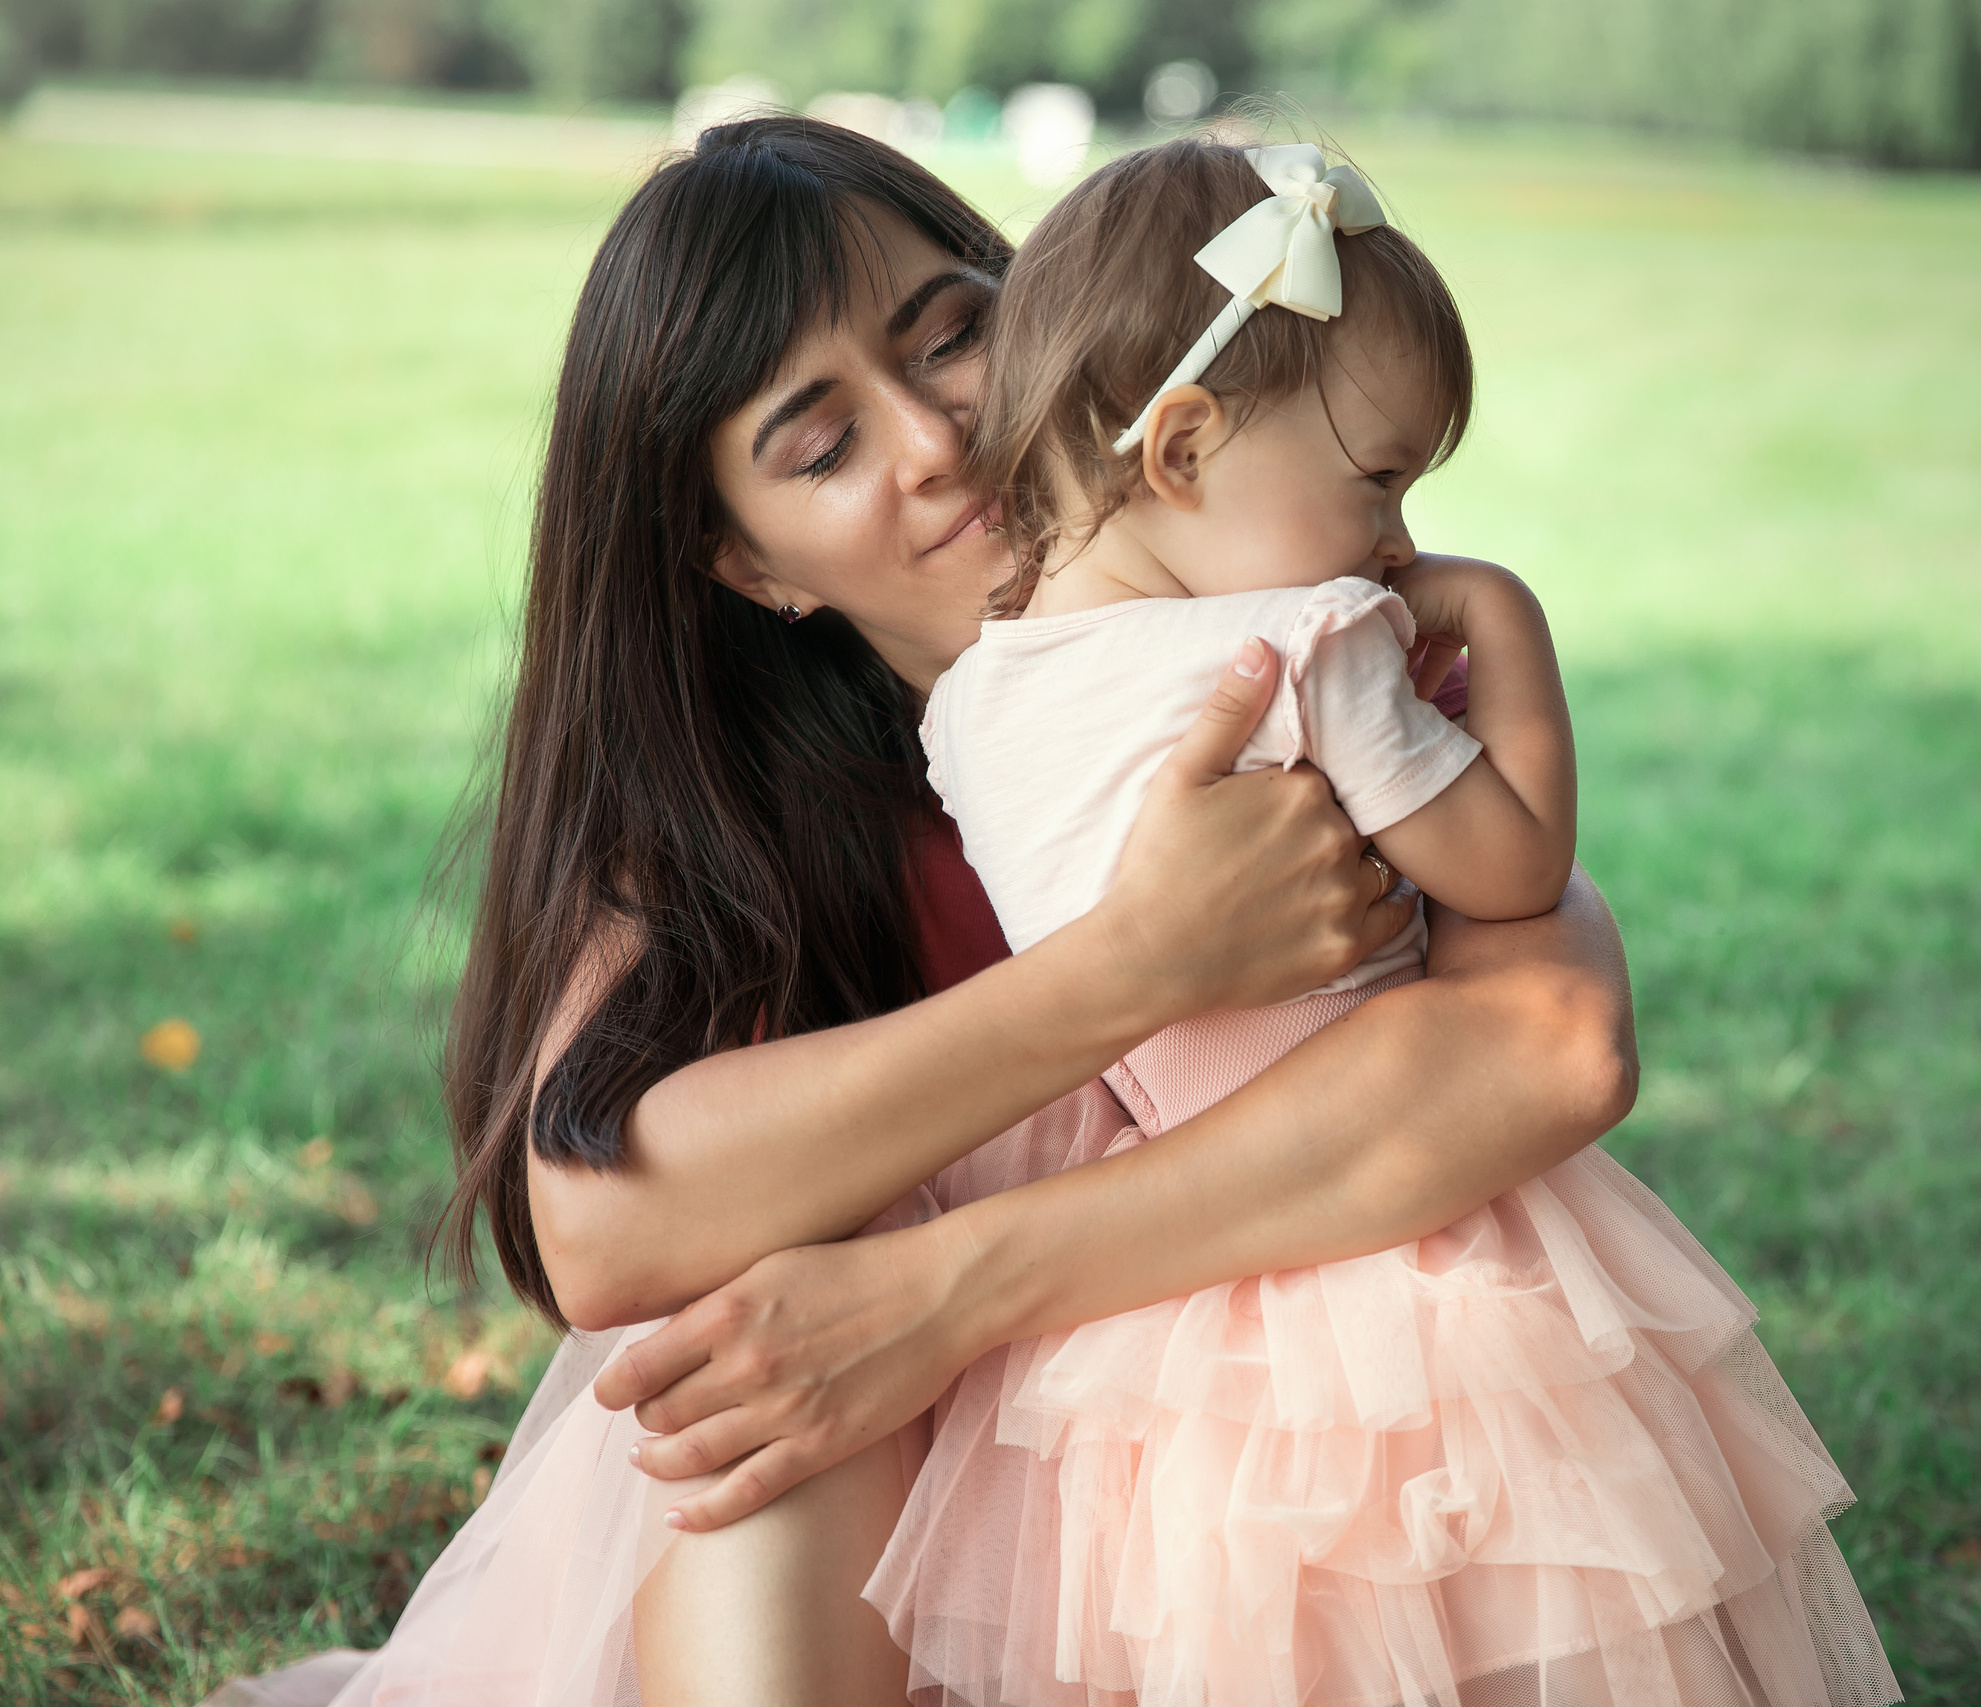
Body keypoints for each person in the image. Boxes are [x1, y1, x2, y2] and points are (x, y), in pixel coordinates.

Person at [203, 117, 1642, 1707]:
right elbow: (602, 1226)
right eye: (820, 448)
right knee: (759, 1442)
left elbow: (1556, 1050)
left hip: (1249, 1433)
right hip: (879, 1491)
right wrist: (1128, 970)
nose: (939, 441)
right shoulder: (739, 814)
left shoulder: (1291, 629)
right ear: (751, 567)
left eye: (956, 334)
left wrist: (949, 1290)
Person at [866, 138, 1900, 1707]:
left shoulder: (974, 704)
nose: (1402, 539)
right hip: (1405, 1227)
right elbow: (1515, 871)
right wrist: (1510, 631)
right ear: (1188, 445)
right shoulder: (1313, 640)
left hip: (1170, 1276)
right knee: (1506, 1608)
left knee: (1243, 1630)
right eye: (1380, 479)